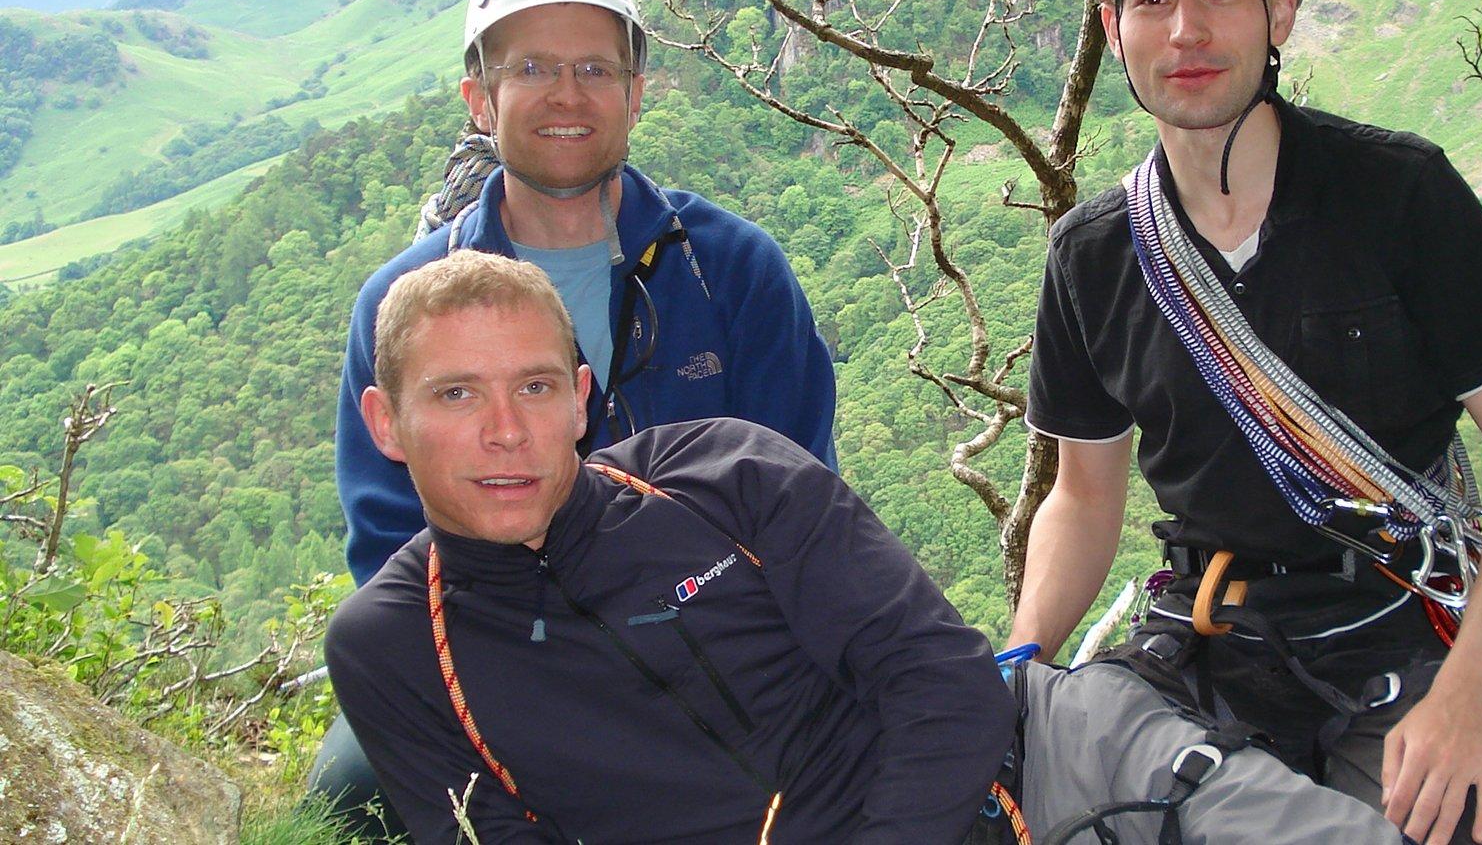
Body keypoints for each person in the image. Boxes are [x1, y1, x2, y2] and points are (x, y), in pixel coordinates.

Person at [1008, 0, 1482, 845]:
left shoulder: (1397, 196)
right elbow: (1082, 494)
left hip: (1394, 635)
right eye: (1150, 0)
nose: (1185, 31)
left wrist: (1464, 698)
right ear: (1114, 28)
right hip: (1198, 636)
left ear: (1281, 11)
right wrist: (1017, 673)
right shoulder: (1096, 255)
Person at [318, 0, 840, 835]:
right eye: (533, 68)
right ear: (480, 100)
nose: (568, 95)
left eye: (596, 68)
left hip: (713, 623)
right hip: (499, 649)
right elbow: (391, 546)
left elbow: (805, 498)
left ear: (635, 92)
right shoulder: (409, 307)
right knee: (354, 785)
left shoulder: (728, 269)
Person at [324, 250, 1013, 844]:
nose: (506, 431)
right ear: (386, 423)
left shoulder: (727, 476)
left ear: (578, 401)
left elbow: (943, 679)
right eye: (456, 394)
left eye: (535, 387)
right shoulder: (395, 643)